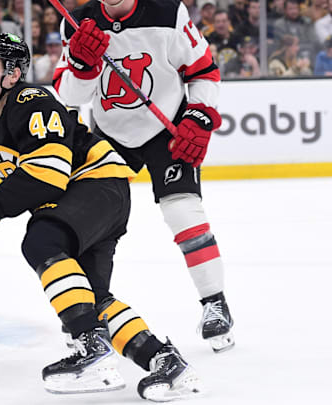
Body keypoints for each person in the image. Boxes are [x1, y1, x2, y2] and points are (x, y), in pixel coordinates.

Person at [0, 33, 202, 402]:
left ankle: (92, 349)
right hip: (83, 202)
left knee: (42, 240)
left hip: (98, 184)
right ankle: (166, 362)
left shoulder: (35, 104)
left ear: (13, 75)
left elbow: (48, 174)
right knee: (92, 300)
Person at [54, 0, 235, 353]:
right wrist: (82, 63)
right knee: (94, 221)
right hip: (109, 133)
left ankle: (215, 302)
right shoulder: (75, 22)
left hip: (165, 128)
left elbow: (203, 71)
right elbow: (69, 95)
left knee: (182, 210)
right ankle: (86, 314)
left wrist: (197, 117)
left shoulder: (167, 12)